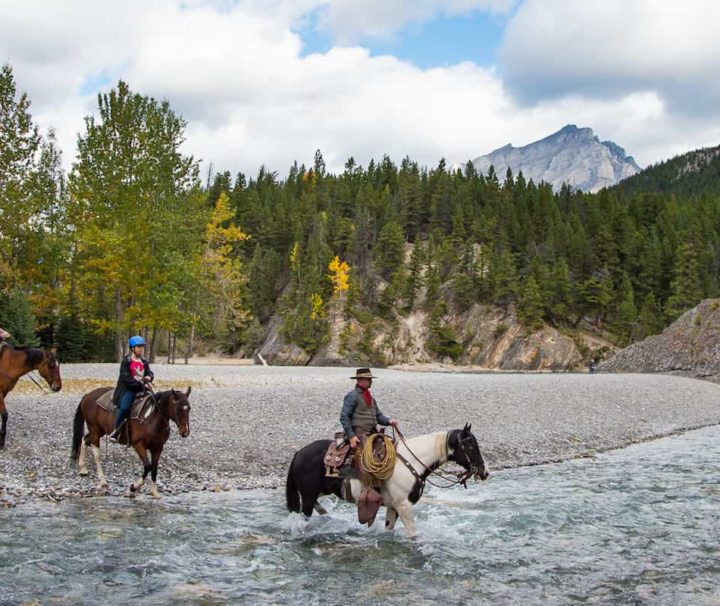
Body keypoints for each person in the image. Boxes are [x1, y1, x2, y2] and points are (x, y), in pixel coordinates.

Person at [109, 335, 154, 442]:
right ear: (132, 348)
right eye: (139, 347)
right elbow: (127, 379)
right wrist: (143, 385)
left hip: (143, 389)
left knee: (155, 403)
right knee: (124, 408)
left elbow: (149, 372)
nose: (141, 349)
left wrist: (149, 377)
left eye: (142, 346)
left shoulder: (144, 360)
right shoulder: (126, 361)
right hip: (129, 389)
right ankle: (116, 431)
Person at [340, 368, 398, 450]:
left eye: (370, 379)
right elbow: (344, 417)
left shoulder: (371, 398)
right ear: (360, 380)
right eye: (368, 379)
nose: (371, 381)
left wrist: (389, 421)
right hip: (358, 434)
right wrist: (351, 436)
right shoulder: (352, 396)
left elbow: (378, 416)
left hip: (372, 433)